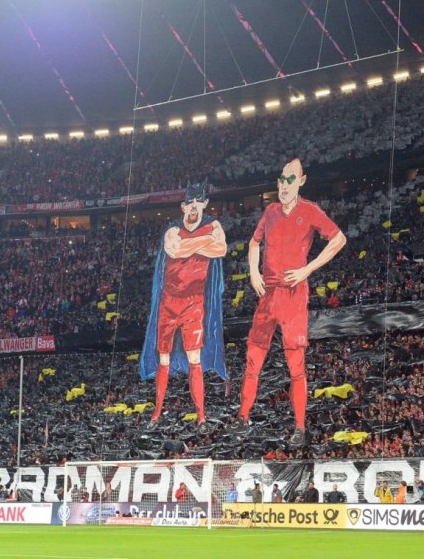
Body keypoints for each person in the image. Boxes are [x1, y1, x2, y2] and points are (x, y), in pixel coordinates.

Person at [229, 159, 346, 447]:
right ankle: (243, 418)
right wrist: (253, 271)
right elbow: (254, 243)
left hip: (293, 295)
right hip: (268, 295)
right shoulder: (270, 211)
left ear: (301, 182)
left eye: (290, 180)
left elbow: (339, 238)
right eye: (281, 180)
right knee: (253, 357)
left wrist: (308, 269)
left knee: (296, 363)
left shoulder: (310, 210)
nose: (284, 185)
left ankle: (300, 427)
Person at [141, 180, 228, 434]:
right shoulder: (173, 229)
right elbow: (175, 251)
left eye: (198, 201)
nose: (193, 206)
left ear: (205, 203)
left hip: (194, 303)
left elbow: (221, 248)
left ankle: (201, 416)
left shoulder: (214, 226)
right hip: (169, 303)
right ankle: (156, 413)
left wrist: (191, 245)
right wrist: (203, 243)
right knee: (164, 358)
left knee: (194, 358)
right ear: (182, 205)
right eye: (189, 201)